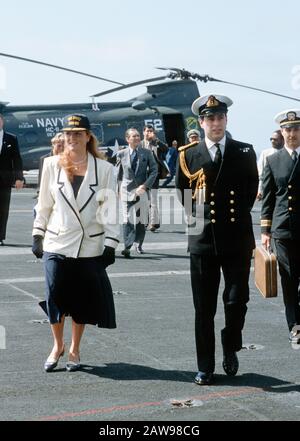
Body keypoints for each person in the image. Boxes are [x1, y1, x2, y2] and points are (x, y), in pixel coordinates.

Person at [176, 94, 258, 385]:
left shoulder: (244, 151)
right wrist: (200, 221)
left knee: (237, 301)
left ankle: (230, 340)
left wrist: (230, 220)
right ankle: (205, 366)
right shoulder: (188, 154)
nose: (215, 123)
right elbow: (184, 195)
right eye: (209, 118)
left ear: (226, 119)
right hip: (203, 239)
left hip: (236, 238)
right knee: (204, 308)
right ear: (201, 122)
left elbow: (249, 192)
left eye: (220, 117)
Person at [32, 114, 119, 372]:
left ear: (88, 137)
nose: (72, 138)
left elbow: (110, 209)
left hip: (88, 246)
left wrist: (111, 244)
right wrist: (38, 234)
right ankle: (57, 345)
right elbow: (44, 204)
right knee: (54, 296)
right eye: (68, 134)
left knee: (80, 301)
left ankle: (74, 349)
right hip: (56, 242)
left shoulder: (105, 170)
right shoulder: (50, 165)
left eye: (78, 133)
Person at [261, 109, 300, 345]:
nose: (292, 134)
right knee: (288, 278)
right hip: (283, 228)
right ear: (281, 132)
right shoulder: (273, 161)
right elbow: (268, 198)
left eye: (296, 129)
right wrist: (265, 231)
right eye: (288, 129)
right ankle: (294, 325)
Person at [117, 128, 157, 257]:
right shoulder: (121, 154)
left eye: (138, 136)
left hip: (142, 190)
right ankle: (127, 246)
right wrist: (118, 190)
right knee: (127, 218)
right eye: (133, 136)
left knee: (141, 219)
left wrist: (145, 186)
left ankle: (138, 243)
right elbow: (118, 174)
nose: (137, 138)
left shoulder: (147, 153)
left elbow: (154, 171)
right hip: (126, 190)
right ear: (128, 139)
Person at [0, 113, 24, 245]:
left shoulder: (11, 138)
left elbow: (17, 158)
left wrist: (19, 178)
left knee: (3, 209)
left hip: (4, 180)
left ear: (2, 122)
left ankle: (0, 237)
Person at [141, 125, 168, 231]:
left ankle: (153, 223)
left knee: (153, 200)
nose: (149, 133)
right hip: (142, 175)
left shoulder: (156, 143)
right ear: (143, 132)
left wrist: (156, 140)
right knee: (143, 200)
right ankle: (144, 222)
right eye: (147, 131)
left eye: (151, 131)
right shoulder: (140, 144)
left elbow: (165, 149)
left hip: (154, 175)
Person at [256, 130, 284, 200]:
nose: (272, 141)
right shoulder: (265, 153)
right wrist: (260, 190)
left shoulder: (290, 153)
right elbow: (260, 175)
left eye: (275, 139)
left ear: (283, 140)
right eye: (271, 139)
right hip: (268, 189)